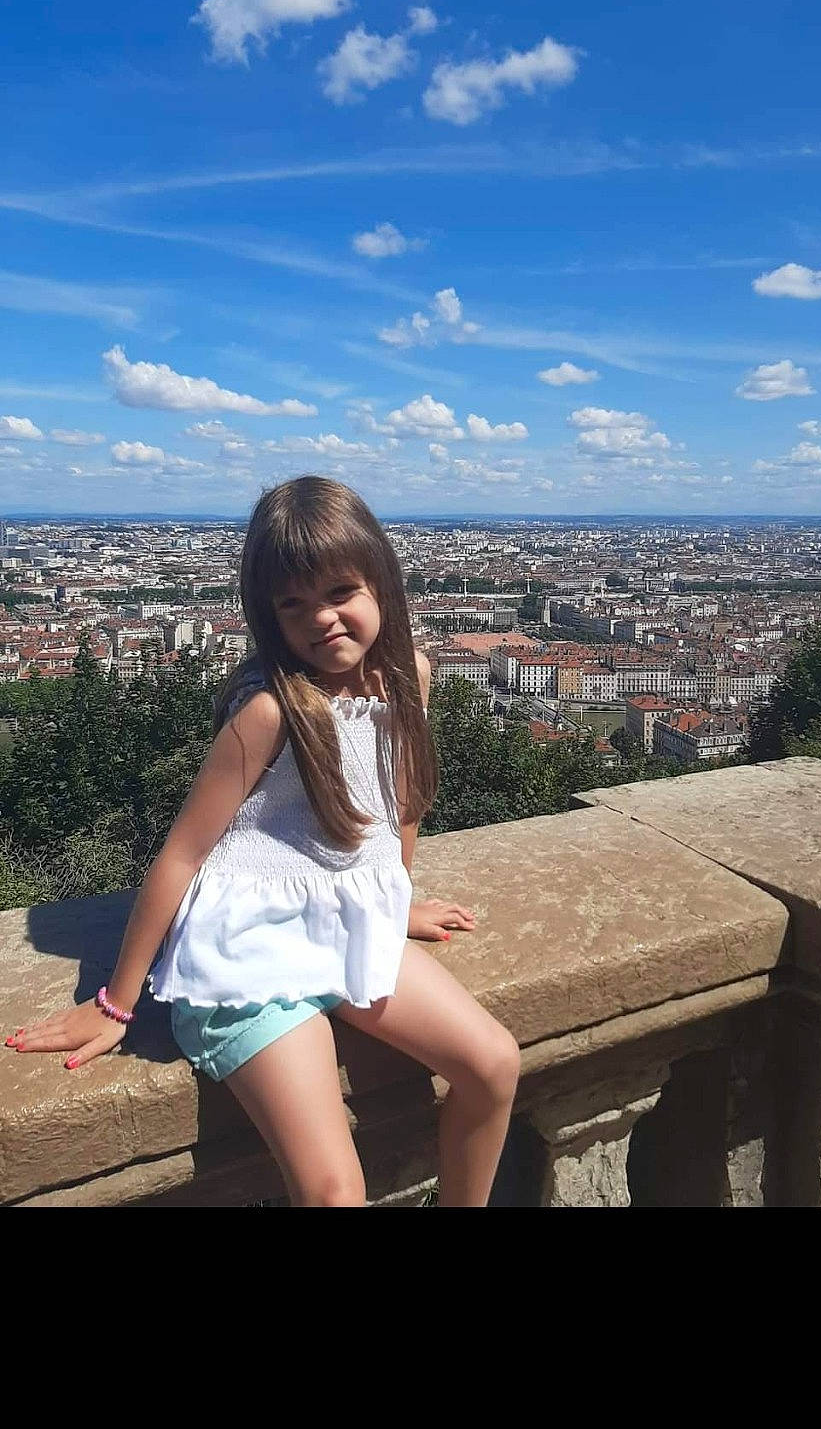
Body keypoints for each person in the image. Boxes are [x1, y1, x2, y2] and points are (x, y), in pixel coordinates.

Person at [6, 476, 520, 1207]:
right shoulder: (271, 710)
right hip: (247, 955)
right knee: (334, 1191)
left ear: (382, 582)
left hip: (344, 925)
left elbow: (396, 805)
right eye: (293, 604)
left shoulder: (412, 678)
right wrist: (115, 1004)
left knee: (495, 1063)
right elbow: (182, 854)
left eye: (340, 591)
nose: (322, 620)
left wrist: (394, 901)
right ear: (267, 615)